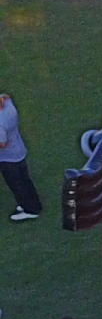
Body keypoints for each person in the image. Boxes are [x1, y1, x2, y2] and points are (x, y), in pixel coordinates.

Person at [0, 88, 39, 221]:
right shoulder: (9, 106)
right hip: (18, 150)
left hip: (8, 158)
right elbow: (5, 96)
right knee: (25, 181)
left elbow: (2, 144)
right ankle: (34, 204)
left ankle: (30, 210)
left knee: (17, 185)